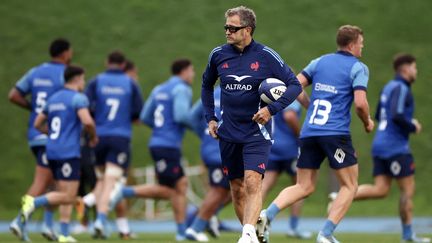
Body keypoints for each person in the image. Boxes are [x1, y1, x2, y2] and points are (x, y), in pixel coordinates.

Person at [257, 25, 374, 243]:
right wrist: (367, 121)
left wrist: (309, 105)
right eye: (361, 43)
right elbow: (360, 103)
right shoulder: (359, 67)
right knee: (350, 186)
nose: (362, 48)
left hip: (309, 131)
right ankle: (326, 235)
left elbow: (293, 87)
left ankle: (267, 215)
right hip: (335, 132)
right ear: (352, 44)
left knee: (304, 185)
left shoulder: (319, 62)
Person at [201, 6, 302, 243]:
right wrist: (211, 118)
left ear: (247, 30)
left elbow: (294, 85)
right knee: (236, 188)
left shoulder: (266, 55)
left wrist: (270, 109)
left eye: (232, 28)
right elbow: (206, 86)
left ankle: (246, 235)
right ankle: (254, 233)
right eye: (226, 27)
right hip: (228, 133)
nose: (227, 31)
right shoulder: (218, 55)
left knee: (252, 180)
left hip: (257, 133)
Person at [110, 58, 195, 241]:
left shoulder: (159, 89)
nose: (193, 75)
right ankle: (123, 192)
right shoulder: (182, 89)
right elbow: (181, 116)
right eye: (192, 71)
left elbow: (145, 117)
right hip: (168, 145)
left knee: (180, 186)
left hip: (158, 143)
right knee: (173, 189)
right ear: (185, 71)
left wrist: (160, 128)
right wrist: (199, 125)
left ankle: (182, 232)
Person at [348, 54, 430, 243]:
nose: (416, 71)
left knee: (381, 189)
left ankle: (343, 195)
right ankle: (408, 235)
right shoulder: (402, 88)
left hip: (380, 143)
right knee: (407, 191)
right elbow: (396, 114)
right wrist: (413, 126)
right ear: (406, 69)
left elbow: (377, 114)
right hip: (396, 148)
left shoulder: (388, 87)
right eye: (414, 68)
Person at [18, 65, 98, 243]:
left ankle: (63, 234)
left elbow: (38, 123)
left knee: (61, 192)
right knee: (69, 195)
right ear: (77, 78)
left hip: (51, 150)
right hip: (68, 152)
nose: (84, 82)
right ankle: (34, 203)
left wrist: (53, 135)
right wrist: (93, 136)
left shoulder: (53, 98)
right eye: (83, 79)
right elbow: (88, 121)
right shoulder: (78, 98)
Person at [8, 38, 73, 241]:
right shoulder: (65, 74)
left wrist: (34, 110)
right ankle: (19, 221)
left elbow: (14, 95)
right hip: (51, 134)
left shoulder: (35, 71)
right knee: (42, 182)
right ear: (65, 53)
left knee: (55, 183)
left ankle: (47, 225)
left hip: (35, 134)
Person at [85, 51, 143, 238]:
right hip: (119, 138)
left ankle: (88, 201)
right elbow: (137, 115)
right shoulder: (130, 83)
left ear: (107, 62)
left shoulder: (96, 81)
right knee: (112, 182)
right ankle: (100, 220)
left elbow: (85, 109)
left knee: (102, 180)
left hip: (99, 137)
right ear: (123, 64)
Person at [185, 86, 231, 242]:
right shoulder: (237, 92)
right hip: (220, 151)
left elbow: (192, 117)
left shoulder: (212, 93)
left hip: (212, 149)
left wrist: (205, 134)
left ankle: (208, 218)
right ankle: (195, 226)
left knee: (232, 191)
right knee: (219, 191)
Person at [261, 100, 311, 240]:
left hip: (272, 146)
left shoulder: (268, 94)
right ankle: (293, 227)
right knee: (300, 186)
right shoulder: (288, 94)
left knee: (264, 185)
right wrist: (300, 135)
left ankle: (253, 223)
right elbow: (289, 116)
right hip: (290, 148)